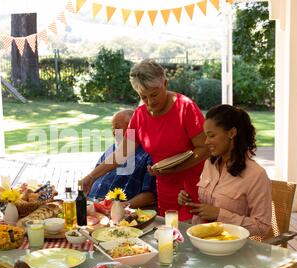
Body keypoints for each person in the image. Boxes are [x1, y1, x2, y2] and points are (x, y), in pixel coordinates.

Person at [81, 59, 209, 221]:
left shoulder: (185, 107)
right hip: (165, 189)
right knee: (169, 236)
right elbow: (122, 154)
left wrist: (175, 169)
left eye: (154, 94)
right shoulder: (140, 115)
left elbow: (205, 149)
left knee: (191, 236)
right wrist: (91, 177)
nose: (150, 102)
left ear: (165, 83)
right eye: (144, 96)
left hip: (192, 189)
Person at [177, 104, 272, 237]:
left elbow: (262, 227)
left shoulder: (256, 175)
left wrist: (220, 215)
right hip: (199, 240)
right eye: (206, 136)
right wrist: (188, 200)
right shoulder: (209, 164)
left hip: (232, 249)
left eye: (211, 136)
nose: (206, 142)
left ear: (231, 133)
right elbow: (207, 205)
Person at [88, 109, 156, 209]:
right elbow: (93, 178)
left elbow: (150, 196)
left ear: (133, 129)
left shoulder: (148, 155)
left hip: (117, 213)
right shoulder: (111, 149)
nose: (114, 133)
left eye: (117, 128)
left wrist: (120, 207)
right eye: (112, 128)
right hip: (91, 205)